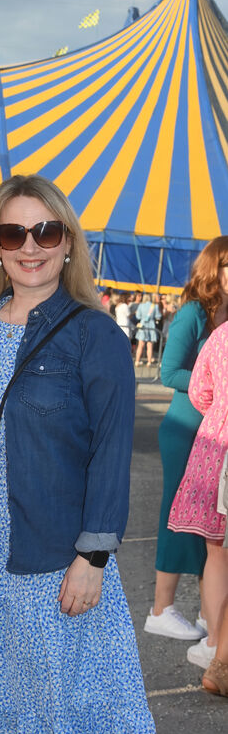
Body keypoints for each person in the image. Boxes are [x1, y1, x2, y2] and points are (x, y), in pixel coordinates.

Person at [0, 175, 159, 734]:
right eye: (13, 233)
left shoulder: (93, 334)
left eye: (45, 231)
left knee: (54, 715)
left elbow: (110, 452)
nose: (30, 247)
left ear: (66, 242)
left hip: (52, 562)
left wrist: (94, 557)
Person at [144, 237, 228, 641]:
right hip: (185, 428)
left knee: (212, 527)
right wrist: (212, 388)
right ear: (215, 268)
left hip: (215, 436)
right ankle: (161, 607)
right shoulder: (195, 312)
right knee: (177, 518)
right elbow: (168, 371)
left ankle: (210, 617)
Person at [168, 317, 228, 670]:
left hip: (215, 445)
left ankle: (216, 647)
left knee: (216, 554)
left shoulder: (220, 334)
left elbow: (199, 392)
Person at [134, 292, 161, 366]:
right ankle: (149, 362)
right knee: (150, 345)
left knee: (140, 345)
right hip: (151, 326)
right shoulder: (154, 306)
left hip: (143, 325)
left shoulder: (141, 305)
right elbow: (158, 316)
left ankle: (137, 361)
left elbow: (138, 317)